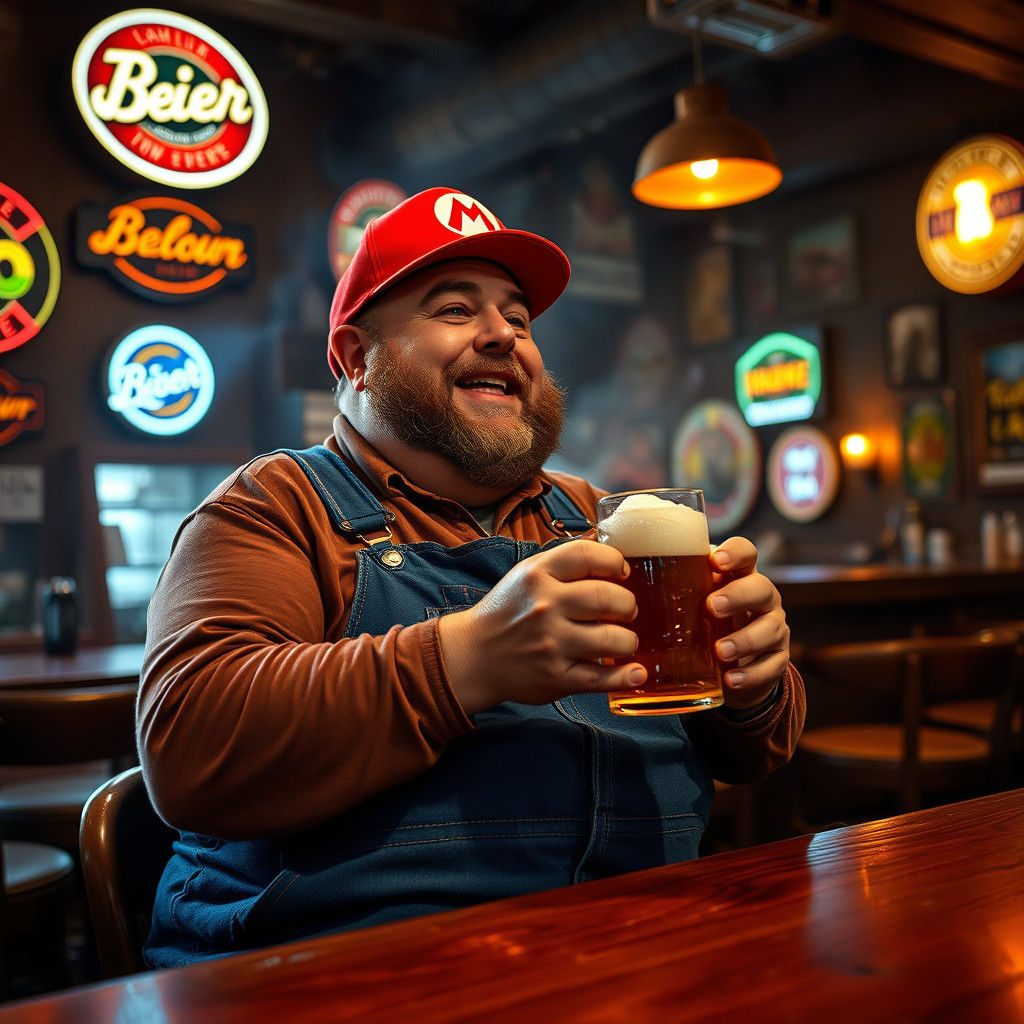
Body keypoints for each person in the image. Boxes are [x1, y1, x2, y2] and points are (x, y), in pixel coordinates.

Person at [138, 187, 804, 969]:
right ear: (357, 359)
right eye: (455, 309)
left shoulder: (599, 513)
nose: (502, 337)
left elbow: (754, 752)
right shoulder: (275, 506)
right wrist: (467, 661)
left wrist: (755, 682)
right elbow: (190, 750)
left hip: (646, 949)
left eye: (518, 319)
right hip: (353, 977)